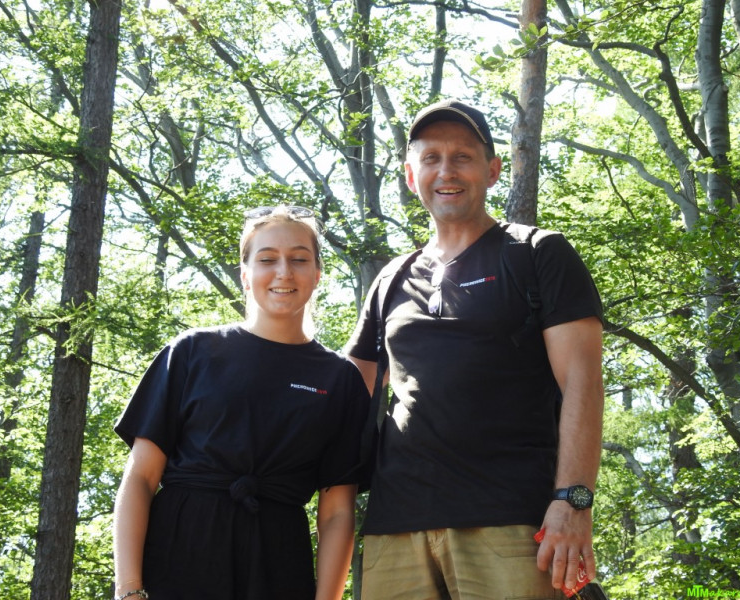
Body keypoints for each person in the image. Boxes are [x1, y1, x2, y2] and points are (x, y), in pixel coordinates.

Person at [344, 99, 604, 600]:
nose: (446, 171)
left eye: (462, 157)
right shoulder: (391, 279)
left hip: (511, 523)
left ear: (492, 170)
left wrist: (573, 502)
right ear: (411, 175)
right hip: (394, 529)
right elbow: (347, 396)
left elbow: (584, 383)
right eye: (431, 158)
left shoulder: (537, 254)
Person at [113, 205, 373, 600]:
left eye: (299, 259)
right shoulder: (191, 352)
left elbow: (337, 513)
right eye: (267, 259)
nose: (284, 272)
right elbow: (140, 478)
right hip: (178, 554)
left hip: (278, 564)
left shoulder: (340, 379)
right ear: (245, 275)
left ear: (318, 274)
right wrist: (129, 590)